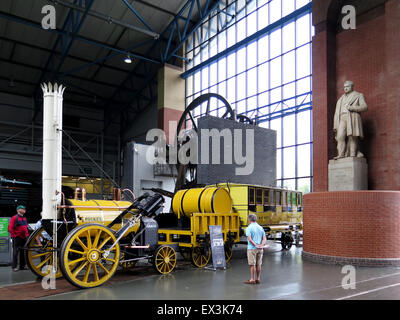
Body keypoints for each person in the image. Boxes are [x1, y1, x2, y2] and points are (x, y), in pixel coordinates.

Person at [333, 80, 368, 159]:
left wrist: (352, 108)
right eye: (344, 87)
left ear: (352, 87)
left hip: (352, 117)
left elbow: (365, 107)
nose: (345, 88)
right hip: (342, 118)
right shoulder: (341, 99)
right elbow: (336, 113)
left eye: (347, 86)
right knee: (340, 137)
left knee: (352, 136)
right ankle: (341, 154)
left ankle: (352, 155)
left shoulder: (358, 95)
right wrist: (335, 124)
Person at [244, 214, 266, 285]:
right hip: (260, 249)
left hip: (252, 248)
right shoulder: (260, 227)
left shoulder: (249, 228)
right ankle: (258, 278)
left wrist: (255, 245)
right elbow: (264, 238)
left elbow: (249, 239)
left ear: (249, 220)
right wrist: (261, 245)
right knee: (258, 264)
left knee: (252, 264)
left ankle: (252, 279)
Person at [8, 205, 29, 271]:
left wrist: (27, 235)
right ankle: (14, 267)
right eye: (22, 208)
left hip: (24, 238)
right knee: (15, 253)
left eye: (24, 208)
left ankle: (22, 266)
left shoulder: (25, 218)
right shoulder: (14, 218)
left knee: (23, 252)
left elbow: (25, 228)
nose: (24, 209)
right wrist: (14, 235)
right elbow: (10, 228)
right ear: (18, 210)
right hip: (17, 238)